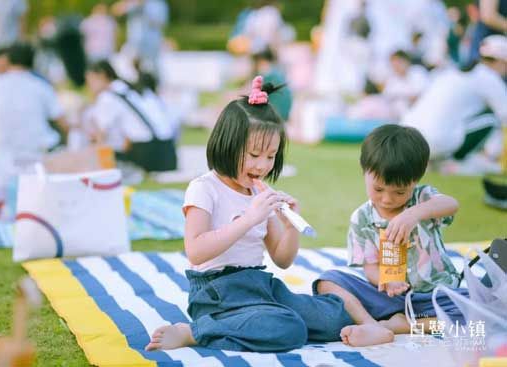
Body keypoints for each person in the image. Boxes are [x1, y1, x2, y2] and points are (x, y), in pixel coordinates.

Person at [144, 76, 394, 352]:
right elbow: (196, 250)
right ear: (227, 144)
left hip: (259, 285)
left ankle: (380, 321)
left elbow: (282, 259)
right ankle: (195, 331)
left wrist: (289, 227)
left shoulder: (258, 193)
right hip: (217, 292)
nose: (262, 165)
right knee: (288, 328)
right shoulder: (204, 188)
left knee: (332, 317)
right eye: (254, 154)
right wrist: (249, 218)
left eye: (271, 156)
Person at [313, 124, 469, 347]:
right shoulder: (362, 218)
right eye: (378, 189)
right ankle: (372, 326)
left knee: (479, 313)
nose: (387, 199)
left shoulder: (423, 198)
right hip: (390, 298)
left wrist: (414, 214)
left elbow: (451, 204)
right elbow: (370, 267)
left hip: (435, 295)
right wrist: (387, 281)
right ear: (364, 171)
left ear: (416, 179)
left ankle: (403, 325)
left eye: (399, 192)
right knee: (328, 281)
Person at [401, 35, 507, 171]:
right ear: (501, 61)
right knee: (492, 119)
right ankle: (457, 163)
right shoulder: (489, 77)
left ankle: (435, 161)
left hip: (405, 139)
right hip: (435, 143)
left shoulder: (452, 71)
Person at [0, 42, 67, 196]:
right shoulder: (41, 86)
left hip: (0, 170)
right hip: (36, 168)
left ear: (8, 60)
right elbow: (63, 123)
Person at [84, 60, 177, 172]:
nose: (89, 87)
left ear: (102, 76)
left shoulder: (107, 97)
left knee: (103, 149)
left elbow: (101, 136)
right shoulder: (135, 89)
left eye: (89, 81)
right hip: (169, 153)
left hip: (148, 153)